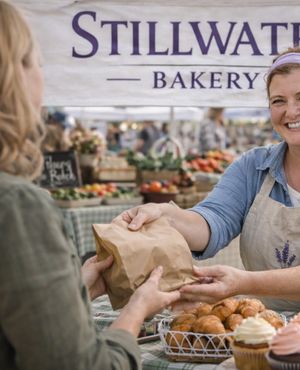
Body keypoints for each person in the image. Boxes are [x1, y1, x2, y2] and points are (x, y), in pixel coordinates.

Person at [118, 46, 300, 314]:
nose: (291, 111)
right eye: (278, 101)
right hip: (264, 332)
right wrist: (166, 217)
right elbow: (214, 219)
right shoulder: (254, 166)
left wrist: (245, 282)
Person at [0, 2, 180, 369]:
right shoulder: (16, 205)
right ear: (14, 76)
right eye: (38, 63)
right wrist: (136, 309)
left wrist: (74, 288)